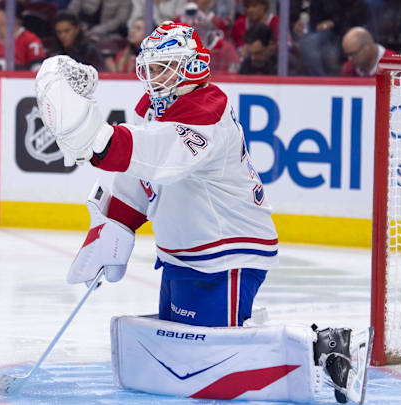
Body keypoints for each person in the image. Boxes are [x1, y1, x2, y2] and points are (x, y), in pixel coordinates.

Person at [33, 21, 372, 404]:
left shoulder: (206, 113)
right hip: (183, 253)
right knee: (182, 358)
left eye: (165, 66)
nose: (154, 76)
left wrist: (94, 139)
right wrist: (114, 227)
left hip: (224, 255)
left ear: (192, 67)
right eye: (151, 66)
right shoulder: (158, 109)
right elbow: (145, 177)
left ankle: (324, 347)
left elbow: (157, 155)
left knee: (211, 363)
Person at [64, 0, 131, 41]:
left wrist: (97, 30)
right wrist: (78, 27)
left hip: (108, 32)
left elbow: (120, 19)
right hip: (81, 26)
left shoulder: (125, 1)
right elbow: (72, 10)